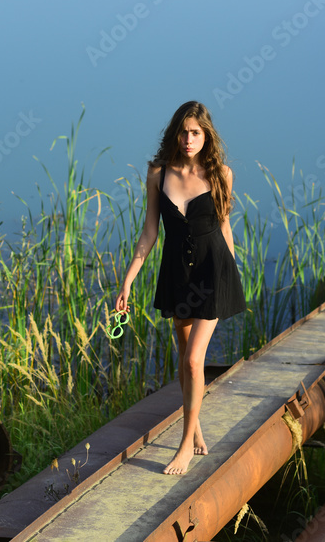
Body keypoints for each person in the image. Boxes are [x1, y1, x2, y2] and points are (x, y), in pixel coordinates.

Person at [114, 101, 246, 475]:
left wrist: (230, 274)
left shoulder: (221, 174)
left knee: (193, 360)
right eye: (184, 132)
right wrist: (127, 282)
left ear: (206, 136)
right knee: (184, 354)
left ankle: (185, 445)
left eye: (196, 133)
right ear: (175, 132)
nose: (189, 139)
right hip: (177, 274)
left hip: (212, 272)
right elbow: (149, 232)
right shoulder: (158, 172)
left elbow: (223, 228)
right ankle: (197, 425)